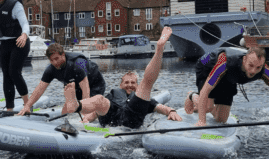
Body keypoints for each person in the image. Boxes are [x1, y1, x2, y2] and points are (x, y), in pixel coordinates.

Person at [37, 27, 181, 128]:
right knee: (100, 99)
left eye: (132, 83)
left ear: (136, 86)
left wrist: (171, 112)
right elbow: (96, 109)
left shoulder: (144, 99)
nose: (130, 85)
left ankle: (159, 48)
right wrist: (86, 119)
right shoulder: (114, 93)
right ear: (121, 84)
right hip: (111, 116)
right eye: (127, 82)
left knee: (147, 83)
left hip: (131, 116)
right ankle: (76, 105)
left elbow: (162, 108)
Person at [184, 46, 269, 127]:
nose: (253, 71)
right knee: (208, 108)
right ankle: (192, 95)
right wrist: (202, 121)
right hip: (207, 67)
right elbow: (207, 88)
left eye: (258, 67)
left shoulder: (264, 71)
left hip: (230, 77)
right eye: (250, 65)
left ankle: (202, 105)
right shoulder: (224, 62)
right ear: (244, 59)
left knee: (221, 119)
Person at [19, 43, 106, 114]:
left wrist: (84, 115)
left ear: (63, 54)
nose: (55, 62)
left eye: (56, 58)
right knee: (65, 112)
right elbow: (40, 89)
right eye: (51, 60)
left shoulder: (77, 64)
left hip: (95, 85)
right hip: (77, 87)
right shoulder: (50, 69)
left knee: (86, 110)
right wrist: (27, 106)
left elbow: (86, 91)